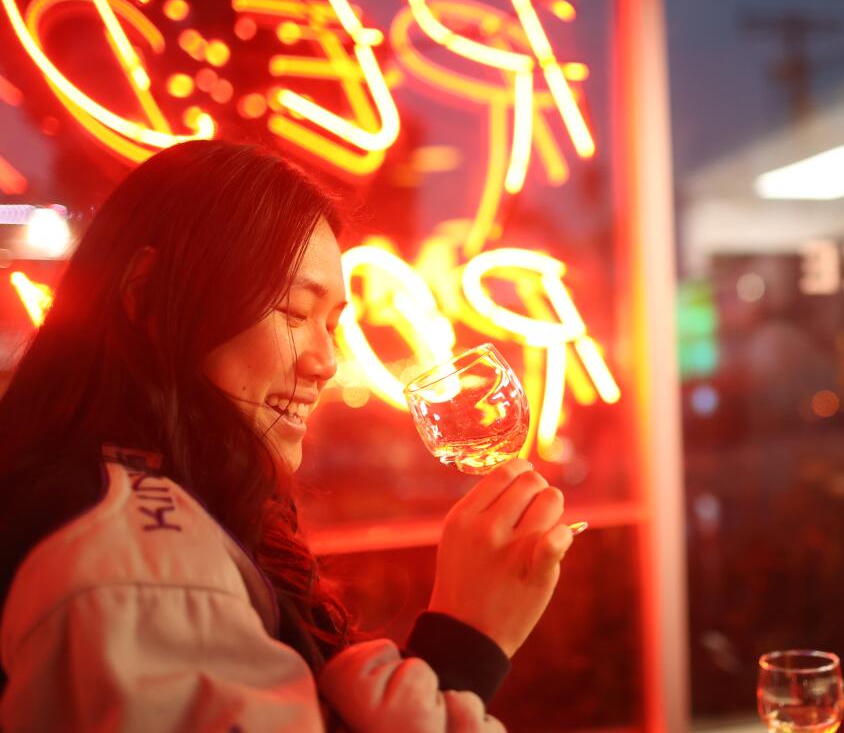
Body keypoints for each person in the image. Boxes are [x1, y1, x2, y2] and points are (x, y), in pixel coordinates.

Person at [0, 140, 575, 732]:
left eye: (333, 325)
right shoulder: (132, 552)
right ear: (147, 292)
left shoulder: (134, 504)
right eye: (295, 312)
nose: (327, 362)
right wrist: (467, 641)